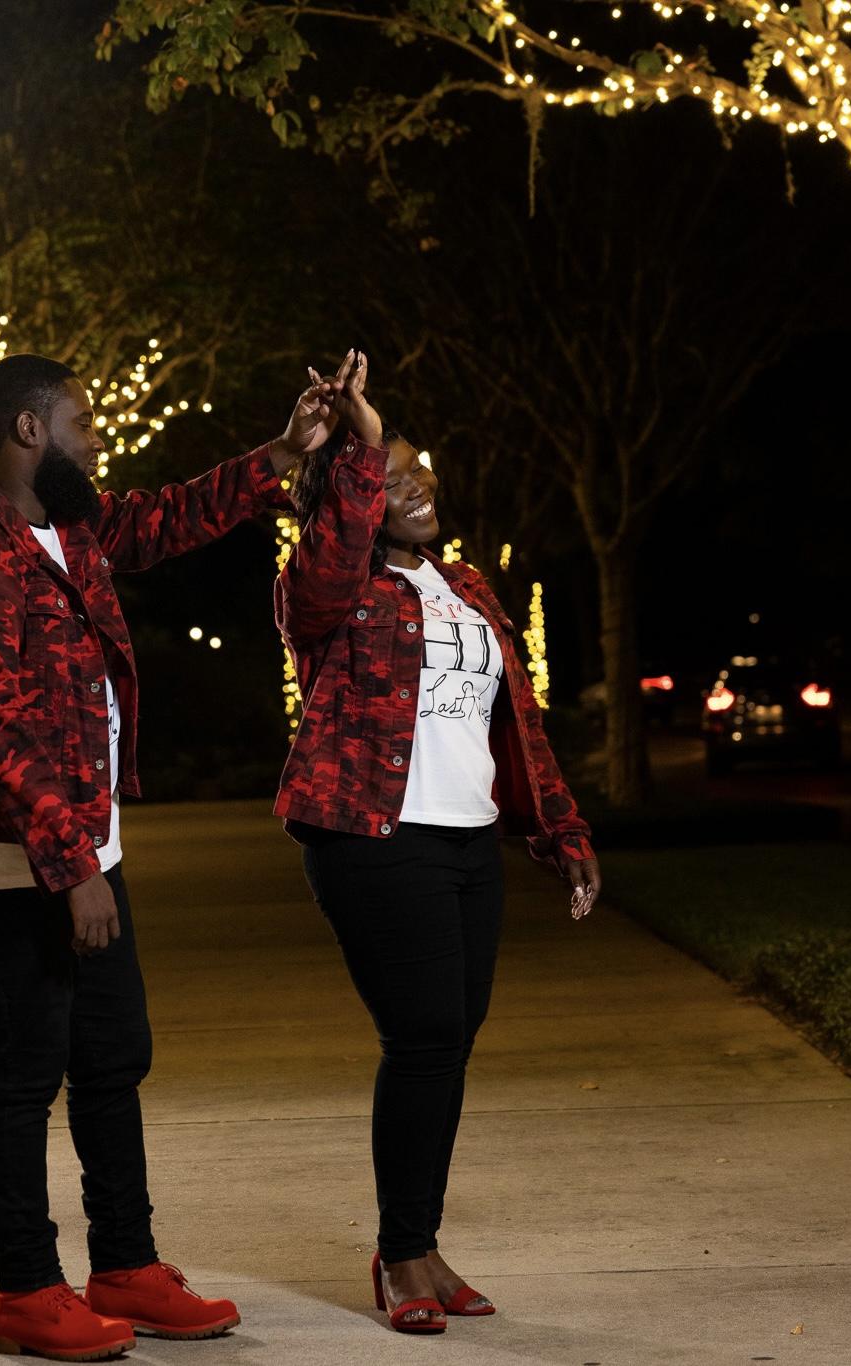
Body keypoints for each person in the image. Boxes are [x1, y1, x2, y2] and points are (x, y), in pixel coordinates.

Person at [0, 352, 340, 1362]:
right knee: (24, 1074)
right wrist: (74, 868)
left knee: (111, 1059)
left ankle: (125, 1266)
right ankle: (27, 1291)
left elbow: (174, 515)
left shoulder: (73, 529)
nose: (97, 442)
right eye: (83, 423)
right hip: (4, 868)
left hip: (82, 851)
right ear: (28, 430)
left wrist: (284, 452)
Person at [274, 352, 602, 1335]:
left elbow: (517, 723)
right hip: (375, 839)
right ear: (353, 493)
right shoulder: (326, 591)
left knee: (448, 1043)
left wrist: (562, 829)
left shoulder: (467, 586)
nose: (417, 484)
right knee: (421, 1037)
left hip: (467, 843)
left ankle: (420, 1246)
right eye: (392, 473)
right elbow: (327, 565)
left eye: (419, 468)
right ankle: (401, 1253)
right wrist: (362, 443)